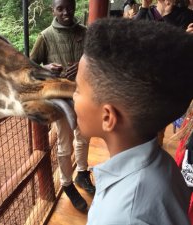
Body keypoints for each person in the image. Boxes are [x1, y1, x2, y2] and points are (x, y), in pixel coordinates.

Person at [73, 18, 193, 224]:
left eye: (77, 89)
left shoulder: (121, 216)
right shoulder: (165, 165)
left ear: (108, 117)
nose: (73, 97)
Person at [30, 0, 95, 212]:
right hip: (61, 102)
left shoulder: (86, 33)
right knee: (64, 144)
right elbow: (30, 67)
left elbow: (97, 61)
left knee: (84, 137)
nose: (66, 12)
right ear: (53, 10)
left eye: (69, 7)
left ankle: (82, 174)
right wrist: (47, 68)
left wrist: (84, 65)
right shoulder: (45, 36)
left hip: (84, 96)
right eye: (60, 8)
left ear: (74, 6)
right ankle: (67, 184)